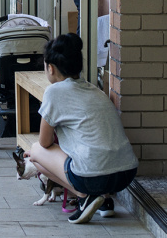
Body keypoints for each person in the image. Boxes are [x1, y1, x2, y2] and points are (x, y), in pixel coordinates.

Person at [24, 34, 138, 224]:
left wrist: (36, 152)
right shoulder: (94, 90)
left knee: (35, 151)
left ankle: (85, 196)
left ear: (50, 68)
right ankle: (104, 200)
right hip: (126, 173)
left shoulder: (54, 92)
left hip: (93, 176)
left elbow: (44, 142)